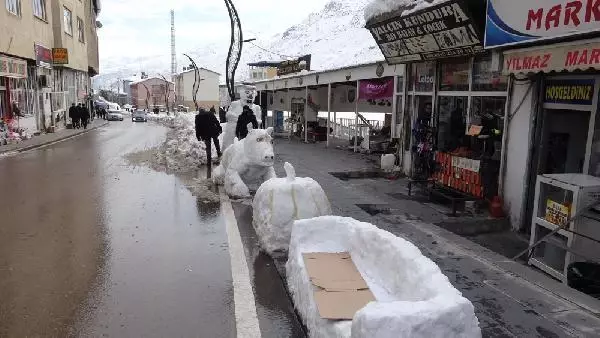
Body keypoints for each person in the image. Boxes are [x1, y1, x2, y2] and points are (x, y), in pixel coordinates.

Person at [195, 108, 223, 178]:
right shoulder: (210, 114)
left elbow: (197, 128)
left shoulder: (198, 117)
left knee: (208, 147)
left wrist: (198, 136)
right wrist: (219, 128)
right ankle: (219, 152)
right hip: (213, 131)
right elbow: (216, 121)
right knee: (216, 141)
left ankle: (208, 160)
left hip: (205, 134)